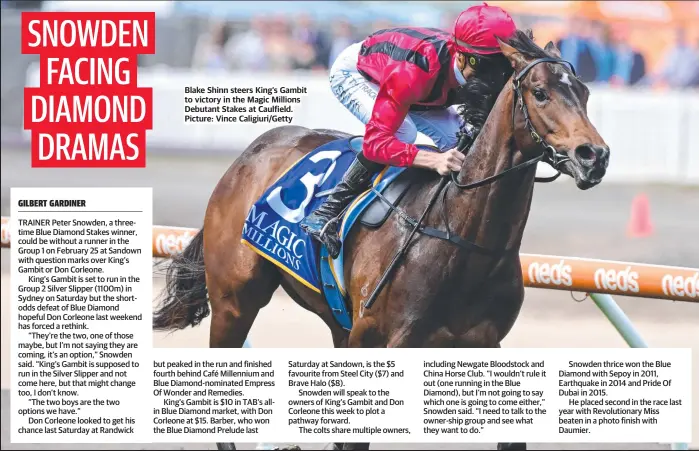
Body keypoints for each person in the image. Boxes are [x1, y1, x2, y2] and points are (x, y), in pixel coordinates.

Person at [299, 3, 518, 258]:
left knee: (456, 139)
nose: (497, 75)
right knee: (404, 133)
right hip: (361, 74)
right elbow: (376, 144)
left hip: (424, 91)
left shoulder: (475, 62)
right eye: (488, 65)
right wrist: (434, 159)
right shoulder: (413, 72)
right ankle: (327, 211)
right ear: (462, 56)